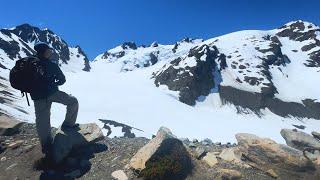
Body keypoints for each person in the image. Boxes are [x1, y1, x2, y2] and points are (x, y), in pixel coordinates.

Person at [31, 42, 79, 159]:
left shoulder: (30, 63)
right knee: (73, 101)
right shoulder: (51, 65)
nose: (50, 52)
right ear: (45, 52)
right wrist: (54, 83)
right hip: (52, 93)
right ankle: (68, 125)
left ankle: (46, 146)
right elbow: (62, 80)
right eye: (49, 50)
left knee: (42, 121)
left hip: (37, 97)